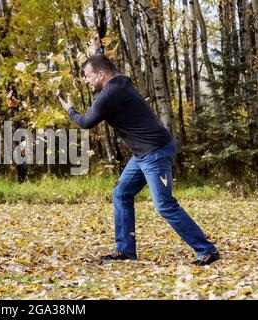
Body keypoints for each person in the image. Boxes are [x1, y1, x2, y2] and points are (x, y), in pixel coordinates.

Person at [58, 36, 220, 266]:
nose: (86, 81)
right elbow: (106, 65)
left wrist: (70, 109)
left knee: (164, 205)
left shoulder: (108, 95)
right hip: (143, 154)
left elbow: (85, 122)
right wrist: (97, 50)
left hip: (155, 152)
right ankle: (125, 250)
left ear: (101, 76)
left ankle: (207, 250)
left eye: (88, 76)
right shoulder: (121, 80)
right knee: (121, 193)